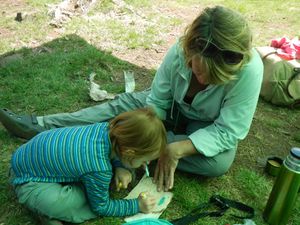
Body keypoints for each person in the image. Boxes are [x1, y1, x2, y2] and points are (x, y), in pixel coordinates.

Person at [1, 5, 263, 193]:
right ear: (189, 50)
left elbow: (229, 130)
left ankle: (121, 147)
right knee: (120, 109)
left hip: (205, 126)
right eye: (198, 71)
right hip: (165, 109)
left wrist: (177, 149)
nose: (203, 81)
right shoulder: (180, 48)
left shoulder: (250, 70)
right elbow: (159, 101)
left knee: (218, 163)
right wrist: (145, 131)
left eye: (214, 79)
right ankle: (40, 125)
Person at [10, 108, 167, 225]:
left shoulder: (104, 129)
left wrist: (120, 166)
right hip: (28, 181)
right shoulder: (99, 169)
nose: (145, 165)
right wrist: (136, 205)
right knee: (79, 202)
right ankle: (45, 212)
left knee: (93, 184)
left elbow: (115, 149)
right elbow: (101, 207)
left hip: (26, 156)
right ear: (129, 152)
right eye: (144, 160)